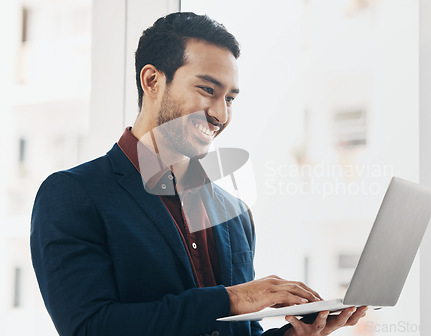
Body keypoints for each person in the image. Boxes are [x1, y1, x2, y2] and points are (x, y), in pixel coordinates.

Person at [30, 12, 367, 336]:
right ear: (152, 81)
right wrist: (233, 298)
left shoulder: (234, 214)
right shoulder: (73, 195)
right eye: (207, 90)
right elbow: (91, 328)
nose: (220, 114)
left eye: (230, 99)